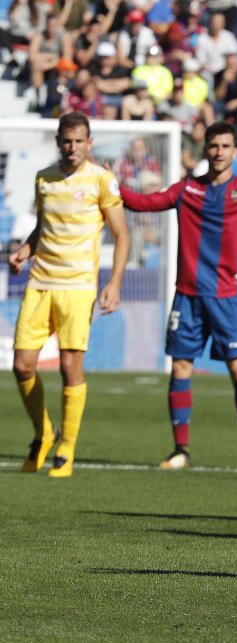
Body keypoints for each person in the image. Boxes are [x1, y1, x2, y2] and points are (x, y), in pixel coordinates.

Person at [118, 122, 237, 471]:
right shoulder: (186, 190)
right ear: (206, 150)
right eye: (214, 146)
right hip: (188, 295)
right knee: (180, 366)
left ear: (235, 152)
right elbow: (144, 203)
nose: (219, 152)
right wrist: (111, 186)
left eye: (226, 146)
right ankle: (180, 450)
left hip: (227, 298)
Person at [9, 112, 130, 478]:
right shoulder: (44, 179)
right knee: (22, 365)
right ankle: (44, 433)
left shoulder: (102, 181)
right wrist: (26, 251)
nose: (72, 147)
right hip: (40, 282)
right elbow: (43, 227)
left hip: (78, 286)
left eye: (79, 141)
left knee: (68, 365)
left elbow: (122, 235)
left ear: (89, 143)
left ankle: (67, 447)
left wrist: (114, 283)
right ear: (59, 142)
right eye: (67, 141)